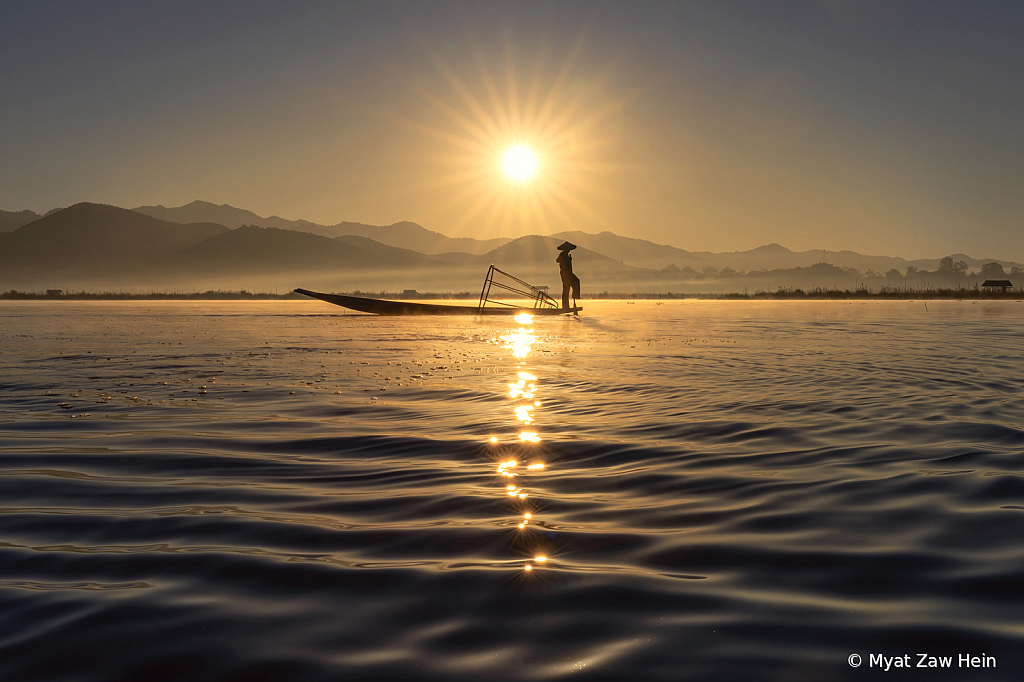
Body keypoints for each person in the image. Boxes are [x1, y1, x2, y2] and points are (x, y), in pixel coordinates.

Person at [556, 241, 580, 311]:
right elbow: (557, 261)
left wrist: (569, 259)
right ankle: (565, 306)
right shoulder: (562, 255)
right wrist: (566, 259)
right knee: (566, 289)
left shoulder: (566, 255)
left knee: (575, 282)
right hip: (565, 274)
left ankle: (575, 296)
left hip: (569, 273)